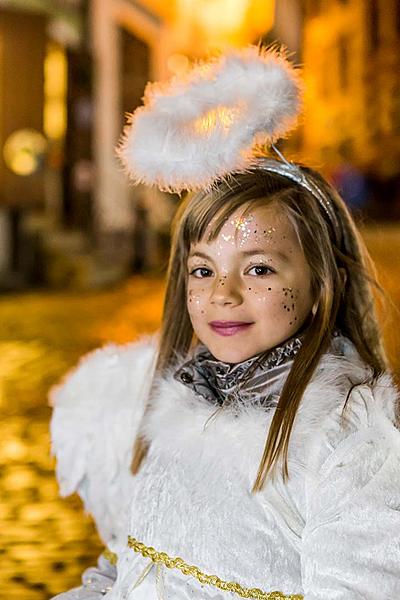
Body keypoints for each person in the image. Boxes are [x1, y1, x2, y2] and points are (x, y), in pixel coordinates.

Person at [49, 47, 400, 600]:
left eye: (259, 268)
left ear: (319, 285)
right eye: (203, 269)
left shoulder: (352, 441)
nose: (223, 293)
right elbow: (134, 560)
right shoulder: (171, 402)